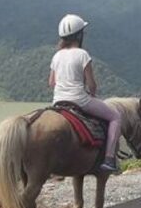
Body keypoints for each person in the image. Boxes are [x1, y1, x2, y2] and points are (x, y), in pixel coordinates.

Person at [49, 14, 122, 174]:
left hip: (58, 101)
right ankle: (110, 159)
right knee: (115, 117)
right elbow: (91, 84)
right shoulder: (82, 54)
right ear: (79, 35)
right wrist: (92, 94)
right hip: (79, 100)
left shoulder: (56, 55)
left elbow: (52, 83)